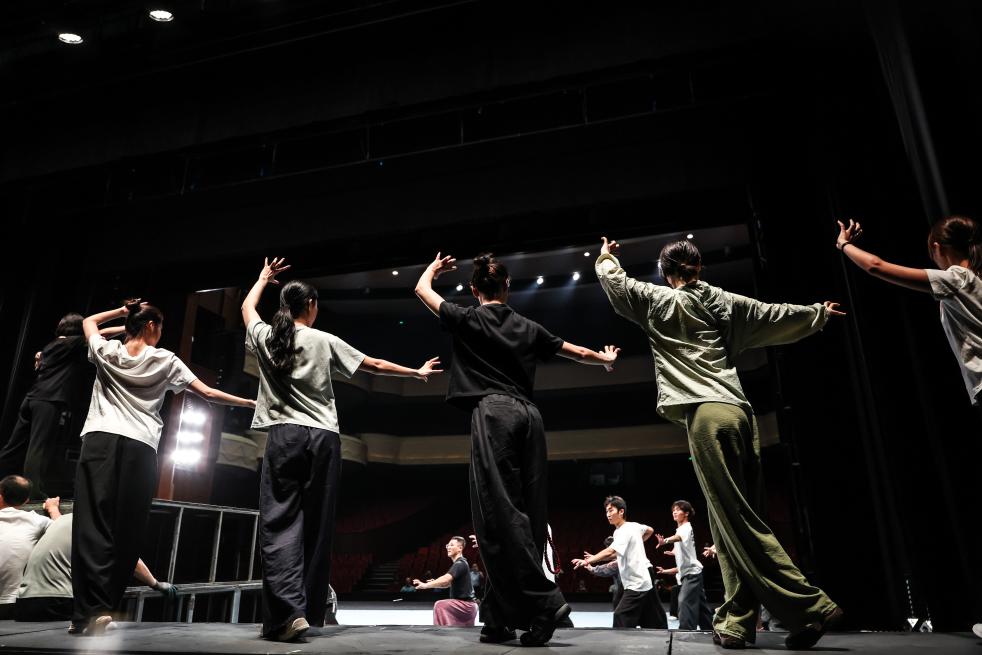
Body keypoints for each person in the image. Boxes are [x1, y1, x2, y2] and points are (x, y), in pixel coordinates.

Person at [595, 236, 843, 649]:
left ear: (665, 273)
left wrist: (606, 256)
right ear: (698, 269)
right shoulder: (724, 301)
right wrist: (816, 314)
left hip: (706, 417)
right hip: (740, 414)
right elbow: (773, 314)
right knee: (732, 522)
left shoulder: (658, 300)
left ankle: (809, 605)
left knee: (736, 521)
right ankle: (736, 623)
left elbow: (616, 283)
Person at [416, 252, 620, 646]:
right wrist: (605, 360)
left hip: (494, 415)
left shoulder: (468, 318)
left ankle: (545, 602)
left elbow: (422, 291)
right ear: (507, 287)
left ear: (474, 289)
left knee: (497, 515)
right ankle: (498, 617)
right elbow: (576, 352)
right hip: (530, 418)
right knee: (526, 513)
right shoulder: (527, 325)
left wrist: (433, 269)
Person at [242, 257, 442, 642]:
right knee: (317, 528)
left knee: (279, 524)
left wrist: (263, 278)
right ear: (311, 305)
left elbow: (247, 308)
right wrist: (415, 372)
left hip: (284, 437)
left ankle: (287, 613)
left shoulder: (266, 336)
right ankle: (308, 611)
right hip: (323, 439)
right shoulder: (324, 340)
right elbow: (375, 365)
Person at [834, 216, 982, 639]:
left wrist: (843, 246)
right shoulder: (974, 281)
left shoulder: (956, 279)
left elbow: (877, 267)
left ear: (937, 248)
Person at [72, 300, 256, 636]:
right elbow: (208, 393)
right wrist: (248, 403)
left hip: (99, 441)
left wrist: (121, 314)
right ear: (151, 326)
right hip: (140, 447)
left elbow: (89, 322)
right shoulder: (165, 359)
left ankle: (86, 612)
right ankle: (102, 609)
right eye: (160, 327)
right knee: (128, 530)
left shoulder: (106, 351)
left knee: (91, 526)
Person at [0, 314, 125, 499]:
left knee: (14, 446)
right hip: (49, 400)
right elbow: (101, 333)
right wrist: (127, 327)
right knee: (38, 447)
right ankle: (33, 492)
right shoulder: (71, 343)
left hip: (31, 398)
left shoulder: (51, 345)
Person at [15, 513, 175, 622]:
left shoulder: (65, 519)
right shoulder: (100, 525)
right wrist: (156, 584)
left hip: (24, 601)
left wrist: (52, 509)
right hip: (56, 601)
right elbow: (131, 561)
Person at [572, 496, 667, 629]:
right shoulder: (633, 526)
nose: (608, 514)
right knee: (652, 618)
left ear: (621, 511)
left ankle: (620, 641)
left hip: (637, 582)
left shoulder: (623, 531)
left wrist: (587, 560)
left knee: (621, 615)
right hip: (642, 578)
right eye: (606, 511)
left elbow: (610, 551)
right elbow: (650, 530)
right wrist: (635, 543)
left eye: (611, 510)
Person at [0, 475, 60, 619]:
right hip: (17, 602)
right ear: (27, 500)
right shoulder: (36, 521)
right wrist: (53, 508)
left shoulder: (36, 521)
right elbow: (62, 528)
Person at [654, 500, 713, 630]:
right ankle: (709, 629)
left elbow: (678, 538)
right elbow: (682, 543)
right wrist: (674, 552)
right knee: (701, 607)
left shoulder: (686, 527)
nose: (674, 512)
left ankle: (686, 631)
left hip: (692, 574)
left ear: (686, 513)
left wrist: (665, 541)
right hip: (690, 574)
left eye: (678, 509)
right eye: (673, 510)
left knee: (684, 601)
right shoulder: (681, 529)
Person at [413, 536, 478, 627]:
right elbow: (446, 584)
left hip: (465, 606)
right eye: (448, 545)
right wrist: (434, 583)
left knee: (440, 605)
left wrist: (425, 585)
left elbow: (446, 579)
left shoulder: (460, 564)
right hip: (467, 607)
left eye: (452, 545)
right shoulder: (461, 563)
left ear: (460, 548)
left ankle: (441, 631)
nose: (448, 547)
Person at [582, 536, 622, 612]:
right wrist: (595, 557)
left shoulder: (619, 562)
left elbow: (608, 567)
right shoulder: (625, 555)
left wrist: (591, 568)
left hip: (627, 592)